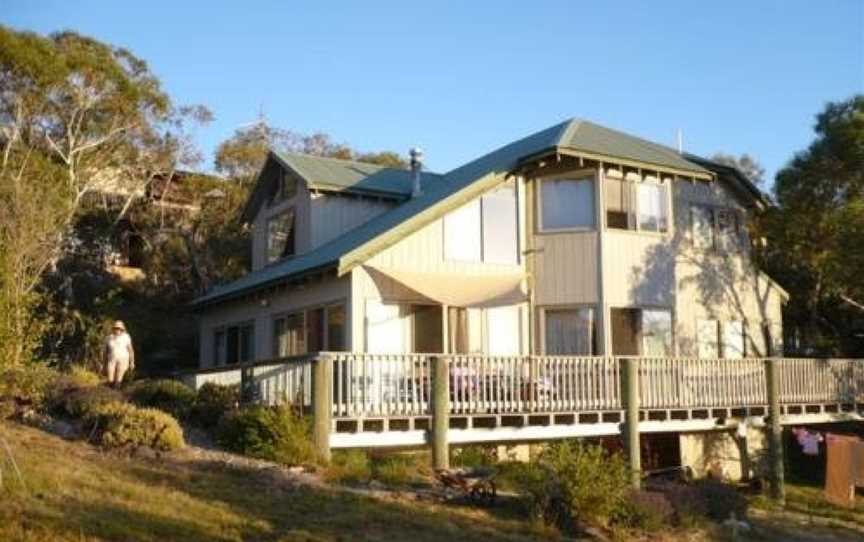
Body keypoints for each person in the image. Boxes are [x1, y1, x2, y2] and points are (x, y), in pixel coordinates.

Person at [104, 320, 135, 387]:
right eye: (116, 328)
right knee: (110, 380)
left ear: (122, 329)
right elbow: (105, 351)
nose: (117, 330)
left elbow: (131, 350)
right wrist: (104, 363)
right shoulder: (108, 338)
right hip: (111, 360)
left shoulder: (126, 337)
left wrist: (132, 362)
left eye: (119, 328)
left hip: (123, 360)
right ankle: (111, 392)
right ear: (113, 329)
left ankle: (115, 393)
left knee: (118, 381)